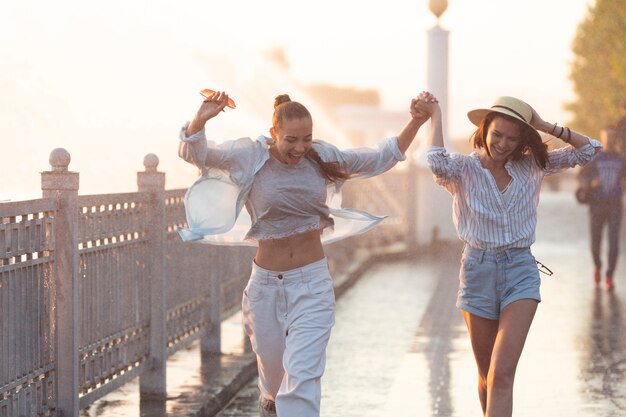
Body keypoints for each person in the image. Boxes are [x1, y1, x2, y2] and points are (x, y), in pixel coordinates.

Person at [177, 90, 434, 417]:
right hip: (265, 290)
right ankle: (272, 404)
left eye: (307, 139)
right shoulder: (249, 156)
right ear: (273, 134)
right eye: (291, 140)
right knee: (274, 384)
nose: (300, 148)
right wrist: (202, 117)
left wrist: (416, 121)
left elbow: (379, 156)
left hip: (311, 285)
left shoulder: (322, 158)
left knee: (302, 380)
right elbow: (195, 154)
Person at [416, 95, 602, 417]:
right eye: (497, 135)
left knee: (502, 374)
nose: (502, 144)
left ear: (521, 142)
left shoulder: (533, 164)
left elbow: (589, 150)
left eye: (513, 138)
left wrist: (544, 125)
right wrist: (437, 115)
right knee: (487, 377)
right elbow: (434, 162)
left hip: (520, 271)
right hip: (477, 271)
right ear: (484, 129)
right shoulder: (463, 169)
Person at [578, 126, 626, 290]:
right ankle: (597, 265)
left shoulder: (622, 159)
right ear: (602, 138)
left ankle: (610, 276)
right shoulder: (594, 158)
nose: (609, 140)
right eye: (606, 137)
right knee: (595, 244)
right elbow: (581, 177)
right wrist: (591, 183)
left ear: (616, 138)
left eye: (612, 137)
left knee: (614, 244)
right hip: (596, 206)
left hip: (615, 206)